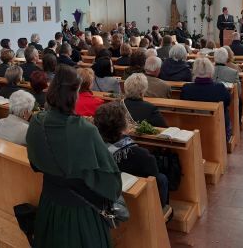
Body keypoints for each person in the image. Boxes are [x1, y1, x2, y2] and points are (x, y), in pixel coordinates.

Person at [26, 64, 122, 247]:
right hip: (81, 213)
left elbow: (34, 164)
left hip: (49, 203)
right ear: (74, 95)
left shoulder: (36, 121)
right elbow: (111, 182)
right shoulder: (85, 130)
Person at [94, 102, 170, 210]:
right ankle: (161, 212)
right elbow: (155, 182)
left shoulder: (93, 150)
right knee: (162, 179)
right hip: (141, 207)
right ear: (123, 127)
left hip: (104, 202)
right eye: (126, 119)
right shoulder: (141, 155)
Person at [181, 58, 233, 140]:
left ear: (194, 71)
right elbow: (228, 102)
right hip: (216, 126)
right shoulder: (219, 88)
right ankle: (226, 138)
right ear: (211, 71)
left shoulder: (186, 88)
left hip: (192, 127)